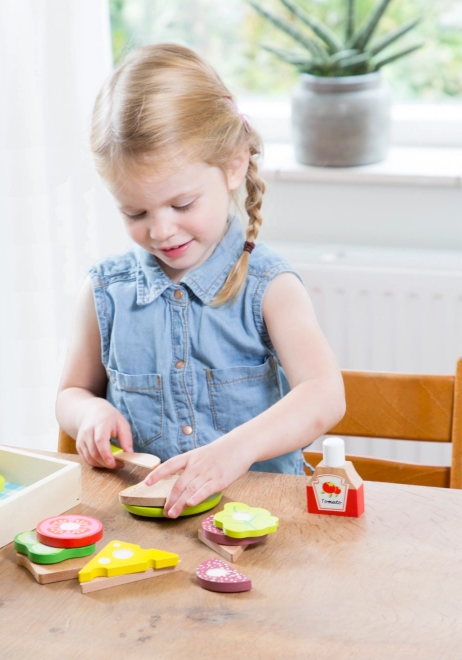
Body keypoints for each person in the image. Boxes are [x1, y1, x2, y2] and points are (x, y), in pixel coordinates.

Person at [55, 43, 345, 517]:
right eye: (135, 211)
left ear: (234, 165)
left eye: (182, 204)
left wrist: (238, 449)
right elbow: (71, 392)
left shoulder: (269, 286)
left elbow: (324, 394)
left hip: (261, 523)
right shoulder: (105, 292)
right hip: (142, 527)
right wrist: (88, 413)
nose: (161, 229)